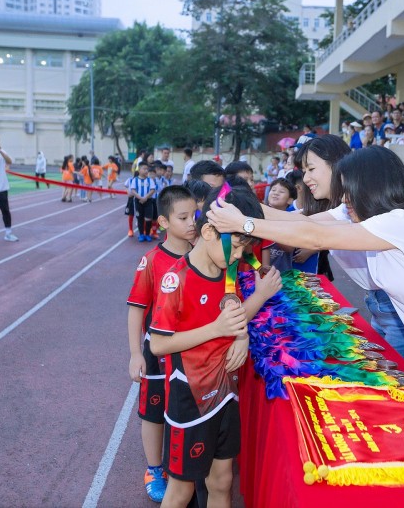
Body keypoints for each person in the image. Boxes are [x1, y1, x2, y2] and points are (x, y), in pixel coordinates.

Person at [206, 145, 404, 374]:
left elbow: (316, 237)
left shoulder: (401, 222)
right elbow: (305, 225)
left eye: (349, 191)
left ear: (371, 187)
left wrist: (243, 223)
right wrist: (243, 207)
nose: (345, 198)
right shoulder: (378, 222)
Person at [148, 188, 282, 508]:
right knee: (182, 491)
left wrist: (241, 336)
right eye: (235, 247)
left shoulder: (226, 273)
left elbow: (233, 314)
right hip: (190, 401)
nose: (239, 256)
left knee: (222, 481)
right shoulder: (175, 280)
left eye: (244, 248)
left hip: (225, 393)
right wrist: (216, 330)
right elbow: (158, 345)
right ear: (209, 231)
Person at [126, 185, 198, 503]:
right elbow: (136, 309)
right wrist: (134, 354)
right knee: (154, 413)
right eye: (183, 217)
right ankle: (155, 468)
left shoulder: (203, 256)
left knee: (180, 412)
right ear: (164, 222)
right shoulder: (152, 260)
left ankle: (177, 464)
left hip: (192, 351)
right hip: (157, 352)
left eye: (194, 214)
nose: (192, 222)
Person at [265, 178, 297, 271]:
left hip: (283, 273)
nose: (275, 193)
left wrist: (269, 229)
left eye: (281, 191)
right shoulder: (260, 216)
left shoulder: (291, 220)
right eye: (273, 190)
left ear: (290, 200)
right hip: (260, 272)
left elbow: (289, 248)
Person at [126, 161, 157, 241]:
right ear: (139, 170)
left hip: (148, 201)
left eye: (147, 169)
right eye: (144, 169)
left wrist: (145, 198)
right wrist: (140, 198)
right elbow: (133, 190)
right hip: (138, 201)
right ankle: (141, 235)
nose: (146, 170)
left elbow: (152, 190)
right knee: (140, 218)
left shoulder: (150, 180)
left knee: (148, 219)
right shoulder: (135, 180)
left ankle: (147, 234)